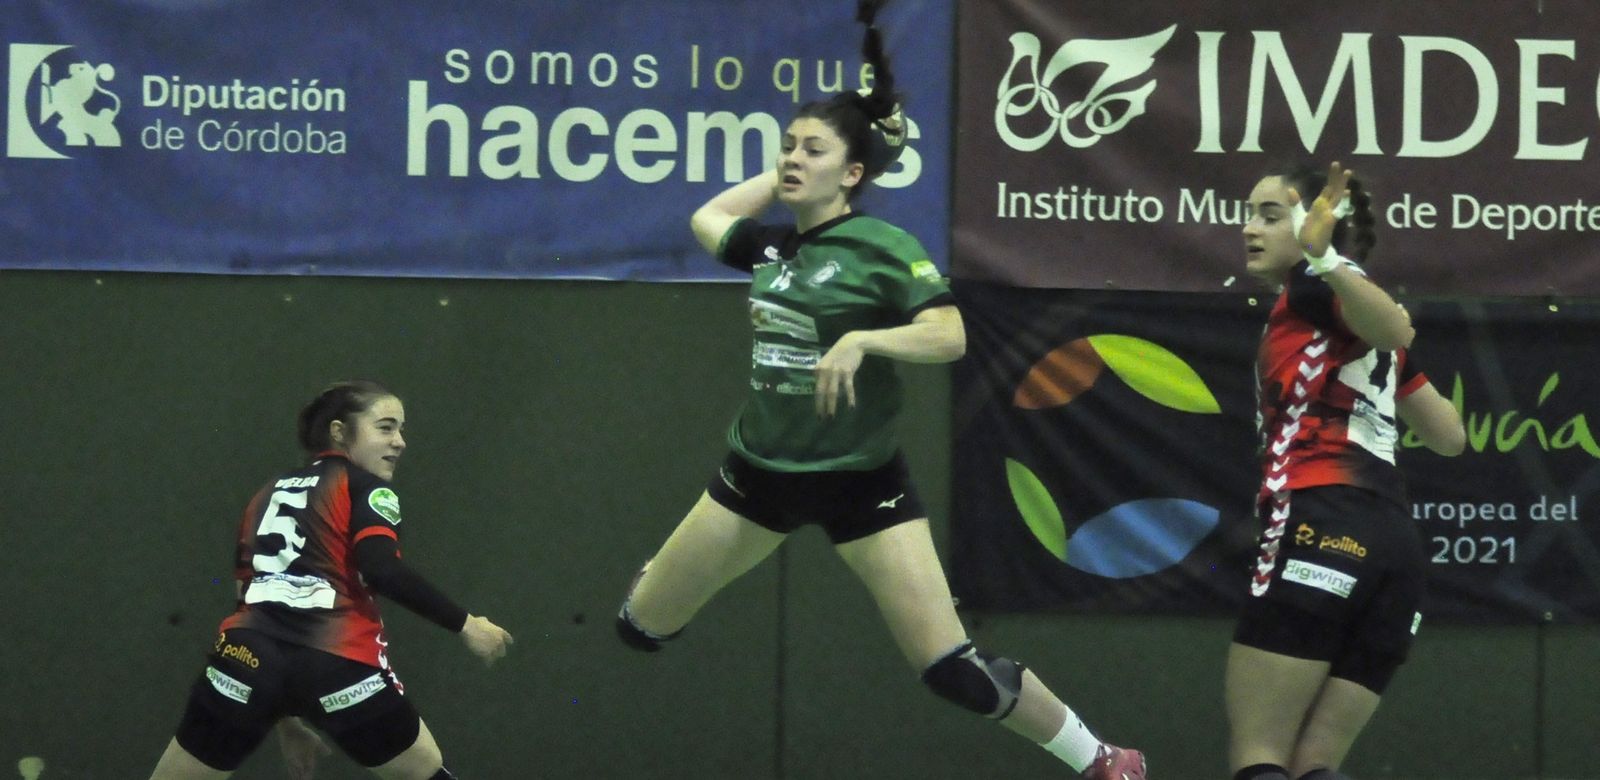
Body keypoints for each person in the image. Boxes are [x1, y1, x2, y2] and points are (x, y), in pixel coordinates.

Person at [613, 4, 1145, 778]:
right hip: (755, 478)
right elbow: (709, 217)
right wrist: (803, 167)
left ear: (854, 175)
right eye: (787, 146)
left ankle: (1101, 758)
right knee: (640, 628)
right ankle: (656, 589)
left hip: (862, 487)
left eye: (813, 150)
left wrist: (864, 339)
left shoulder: (882, 248)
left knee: (952, 669)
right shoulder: (772, 248)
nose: (793, 158)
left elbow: (950, 334)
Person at [1226, 162, 1466, 780]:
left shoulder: (1316, 285)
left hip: (1319, 518)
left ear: (1314, 224)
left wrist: (1324, 258)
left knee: (1260, 751)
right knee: (1316, 763)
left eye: (1270, 215)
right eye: (1250, 213)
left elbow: (1396, 325)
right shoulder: (1347, 323)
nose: (1250, 228)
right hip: (1393, 549)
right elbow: (1448, 436)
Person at [149, 381, 514, 780]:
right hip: (337, 664)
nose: (400, 442)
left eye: (402, 429)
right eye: (386, 427)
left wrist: (282, 716)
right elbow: (381, 569)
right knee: (423, 767)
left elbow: (247, 594)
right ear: (340, 432)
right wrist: (466, 624)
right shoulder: (369, 490)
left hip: (245, 662)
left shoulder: (267, 492)